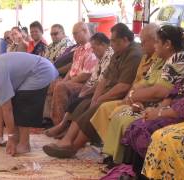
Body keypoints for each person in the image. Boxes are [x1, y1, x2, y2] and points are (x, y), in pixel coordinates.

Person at [43, 23, 142, 158]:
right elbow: (104, 78)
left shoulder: (134, 54)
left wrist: (100, 99)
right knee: (86, 103)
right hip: (109, 93)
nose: (111, 43)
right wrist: (96, 97)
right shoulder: (118, 52)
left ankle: (73, 147)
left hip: (121, 95)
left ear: (125, 40)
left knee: (96, 107)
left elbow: (123, 87)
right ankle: (67, 139)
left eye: (113, 40)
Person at [101, 25, 184, 166]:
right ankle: (120, 162)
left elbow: (164, 92)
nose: (155, 45)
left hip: (176, 111)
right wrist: (142, 103)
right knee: (126, 117)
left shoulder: (181, 61)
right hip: (163, 105)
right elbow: (166, 90)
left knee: (137, 124)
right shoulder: (165, 59)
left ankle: (130, 167)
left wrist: (157, 111)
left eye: (157, 42)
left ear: (168, 44)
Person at [0, 52, 58, 156]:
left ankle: (24, 144)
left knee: (22, 101)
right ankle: (16, 138)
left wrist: (10, 137)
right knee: (13, 100)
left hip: (41, 71)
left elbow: (7, 109)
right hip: (36, 70)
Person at [44, 32, 113, 137]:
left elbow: (98, 80)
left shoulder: (109, 54)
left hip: (101, 88)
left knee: (72, 94)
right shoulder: (93, 54)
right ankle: (59, 125)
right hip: (88, 85)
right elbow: (92, 78)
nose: (93, 51)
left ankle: (62, 127)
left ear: (102, 45)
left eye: (94, 48)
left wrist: (85, 91)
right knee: (71, 93)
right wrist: (84, 90)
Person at [43, 22, 98, 125]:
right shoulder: (78, 49)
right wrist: (65, 80)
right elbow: (72, 69)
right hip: (74, 80)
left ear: (85, 31)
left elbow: (86, 75)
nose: (74, 36)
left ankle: (59, 124)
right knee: (50, 83)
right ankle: (47, 119)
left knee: (61, 86)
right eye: (73, 34)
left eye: (76, 33)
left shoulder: (92, 48)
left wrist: (67, 82)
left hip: (85, 83)